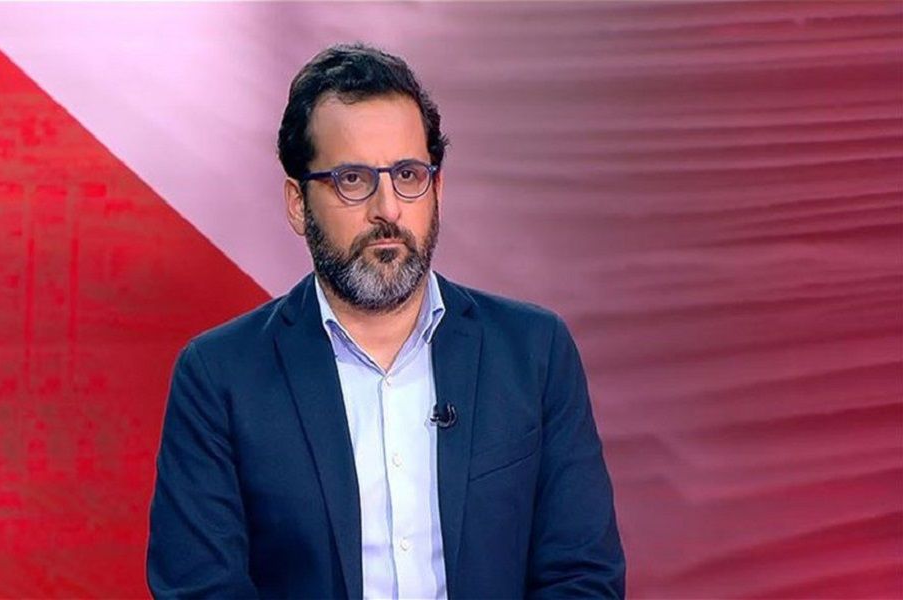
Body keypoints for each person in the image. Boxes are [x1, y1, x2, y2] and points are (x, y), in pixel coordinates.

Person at [147, 43, 626, 599]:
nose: (388, 209)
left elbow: (582, 577)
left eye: (407, 174)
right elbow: (201, 589)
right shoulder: (219, 377)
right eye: (353, 179)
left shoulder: (533, 353)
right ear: (299, 203)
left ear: (436, 189)